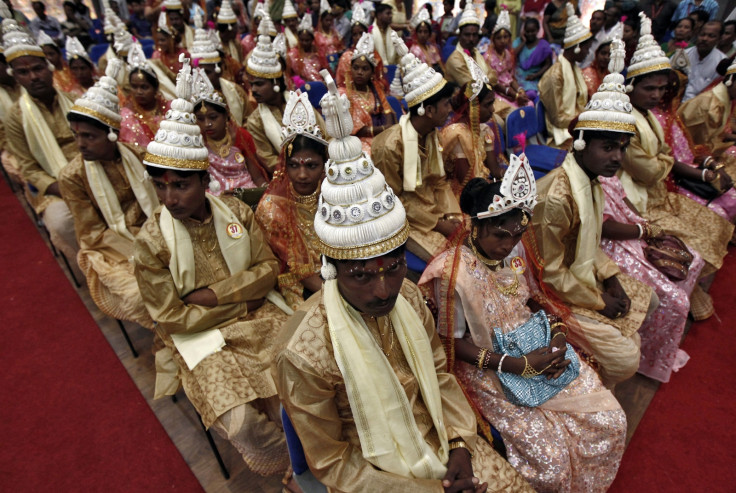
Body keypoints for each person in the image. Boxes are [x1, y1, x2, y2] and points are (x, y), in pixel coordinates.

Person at [275, 72, 533, 493]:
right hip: (375, 474)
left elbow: (440, 376)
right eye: (360, 274)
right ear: (332, 268)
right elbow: (333, 463)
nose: (383, 291)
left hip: (439, 440)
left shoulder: (409, 296)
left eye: (394, 267)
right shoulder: (303, 354)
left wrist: (460, 446)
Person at [419, 162, 627, 491]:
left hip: (535, 339)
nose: (509, 243)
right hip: (489, 365)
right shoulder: (452, 274)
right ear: (476, 226)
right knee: (551, 460)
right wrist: (516, 365)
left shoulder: (515, 251)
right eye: (500, 235)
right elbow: (450, 343)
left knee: (610, 420)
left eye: (516, 234)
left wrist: (558, 335)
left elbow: (531, 298)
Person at [133, 57, 293, 480]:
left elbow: (266, 270)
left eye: (180, 185)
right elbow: (171, 317)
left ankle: (317, 465)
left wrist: (214, 295)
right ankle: (291, 473)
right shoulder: (150, 243)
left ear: (205, 182)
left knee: (294, 397)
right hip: (202, 338)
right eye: (160, 185)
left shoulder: (236, 210)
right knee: (242, 423)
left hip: (260, 315)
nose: (169, 199)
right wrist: (239, 304)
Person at [533, 36, 660, 387]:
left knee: (647, 302)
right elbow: (551, 274)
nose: (618, 158)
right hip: (547, 290)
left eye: (621, 148)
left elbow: (588, 245)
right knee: (627, 358)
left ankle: (591, 366)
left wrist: (612, 279)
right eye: (608, 147)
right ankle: (582, 377)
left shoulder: (590, 178)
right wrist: (599, 301)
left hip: (580, 277)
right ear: (582, 142)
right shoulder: (558, 198)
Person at [621, 13, 734, 275]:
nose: (657, 95)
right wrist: (665, 162)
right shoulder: (626, 121)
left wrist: (663, 161)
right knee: (693, 249)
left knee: (712, 228)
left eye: (661, 89)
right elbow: (649, 171)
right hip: (637, 197)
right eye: (650, 88)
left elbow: (663, 157)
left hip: (657, 191)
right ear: (631, 86)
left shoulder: (649, 115)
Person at [59, 59, 158, 329]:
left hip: (155, 229)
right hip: (112, 248)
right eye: (76, 135)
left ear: (113, 134)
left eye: (89, 136)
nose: (80, 144)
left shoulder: (139, 156)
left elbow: (163, 201)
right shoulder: (72, 176)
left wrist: (159, 237)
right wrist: (145, 249)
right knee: (143, 294)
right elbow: (92, 234)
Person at [372, 35, 461, 262]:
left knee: (471, 237)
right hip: (401, 218)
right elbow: (392, 201)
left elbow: (439, 182)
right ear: (428, 111)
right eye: (445, 104)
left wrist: (452, 216)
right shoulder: (390, 147)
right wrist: (440, 224)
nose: (450, 110)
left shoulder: (431, 134)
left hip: (431, 209)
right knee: (451, 262)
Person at [4, 19, 80, 268]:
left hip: (91, 172)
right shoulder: (16, 118)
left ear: (49, 68)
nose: (33, 77)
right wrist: (62, 188)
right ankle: (95, 266)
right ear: (15, 76)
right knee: (61, 223)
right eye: (23, 72)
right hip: (55, 187)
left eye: (38, 68)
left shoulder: (74, 101)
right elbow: (28, 168)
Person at [255, 90, 326, 309]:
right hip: (298, 281)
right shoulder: (272, 208)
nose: (302, 175)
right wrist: (338, 295)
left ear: (324, 165)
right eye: (294, 165)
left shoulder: (333, 193)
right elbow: (299, 270)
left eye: (311, 166)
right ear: (285, 165)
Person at [246, 15, 325, 174]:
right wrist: (300, 169)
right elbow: (268, 159)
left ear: (276, 83)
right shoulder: (255, 121)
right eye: (252, 84)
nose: (253, 90)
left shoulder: (299, 102)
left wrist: (318, 165)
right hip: (286, 175)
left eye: (259, 84)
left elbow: (324, 135)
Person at [192, 69, 268, 194]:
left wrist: (266, 192)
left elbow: (257, 177)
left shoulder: (242, 136)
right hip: (214, 197)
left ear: (226, 116)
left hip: (244, 192)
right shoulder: (196, 141)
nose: (207, 124)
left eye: (213, 117)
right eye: (200, 119)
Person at [441, 58, 504, 200]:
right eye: (488, 104)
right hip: (464, 197)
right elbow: (468, 185)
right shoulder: (457, 135)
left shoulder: (484, 130)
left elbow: (494, 170)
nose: (493, 109)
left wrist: (511, 176)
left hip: (483, 187)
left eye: (492, 103)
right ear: (473, 107)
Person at [538, 3, 592, 149]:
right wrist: (587, 120)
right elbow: (558, 119)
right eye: (586, 47)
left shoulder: (574, 69)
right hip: (561, 136)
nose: (588, 52)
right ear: (577, 47)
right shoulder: (555, 76)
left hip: (576, 125)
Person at [189, 15, 253, 126]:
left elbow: (248, 121)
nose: (201, 78)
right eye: (197, 73)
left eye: (206, 72)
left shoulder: (235, 91)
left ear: (219, 70)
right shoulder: (188, 99)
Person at [340, 33, 395, 153]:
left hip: (379, 137)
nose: (360, 72)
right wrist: (382, 128)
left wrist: (386, 129)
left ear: (372, 73)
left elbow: (388, 114)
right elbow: (357, 130)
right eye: (356, 68)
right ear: (351, 69)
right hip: (355, 141)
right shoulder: (343, 94)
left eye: (365, 69)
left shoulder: (375, 91)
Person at [120, 43, 171, 149]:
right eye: (134, 87)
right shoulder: (127, 116)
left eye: (144, 87)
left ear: (155, 88)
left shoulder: (170, 109)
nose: (138, 92)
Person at [485, 9, 530, 109]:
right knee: (514, 110)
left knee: (529, 104)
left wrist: (520, 90)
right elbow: (494, 84)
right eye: (499, 38)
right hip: (495, 94)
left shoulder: (508, 54)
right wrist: (515, 95)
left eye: (506, 37)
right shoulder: (488, 57)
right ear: (493, 39)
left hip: (509, 91)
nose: (503, 41)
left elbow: (510, 77)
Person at [683, 21, 726, 101]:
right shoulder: (683, 55)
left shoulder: (722, 63)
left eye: (711, 36)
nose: (705, 39)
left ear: (719, 39)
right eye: (702, 35)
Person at [513, 17, 553, 100]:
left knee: (530, 94)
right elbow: (511, 56)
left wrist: (535, 75)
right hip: (517, 75)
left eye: (532, 31)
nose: (530, 34)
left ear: (538, 30)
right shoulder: (518, 41)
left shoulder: (544, 45)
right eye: (527, 31)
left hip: (533, 78)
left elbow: (548, 64)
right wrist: (523, 42)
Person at [38, 30, 84, 96]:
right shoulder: (46, 77)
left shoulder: (73, 69)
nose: (48, 58)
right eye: (44, 56)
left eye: (51, 54)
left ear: (59, 54)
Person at [334, 2, 369, 86]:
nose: (358, 37)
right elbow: (341, 83)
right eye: (355, 34)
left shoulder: (374, 56)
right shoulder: (346, 57)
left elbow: (379, 82)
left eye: (361, 33)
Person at [287, 14, 329, 83]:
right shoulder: (293, 55)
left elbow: (325, 72)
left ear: (312, 40)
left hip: (320, 85)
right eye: (302, 40)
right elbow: (291, 75)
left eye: (307, 40)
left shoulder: (319, 53)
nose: (304, 43)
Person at [151, 11, 188, 78]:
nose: (160, 43)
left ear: (171, 40)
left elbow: (187, 76)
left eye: (163, 40)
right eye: (158, 40)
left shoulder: (184, 54)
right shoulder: (157, 55)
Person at [409, 7, 444, 75]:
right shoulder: (414, 50)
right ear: (416, 33)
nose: (423, 35)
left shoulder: (432, 48)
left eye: (425, 32)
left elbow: (441, 66)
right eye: (420, 32)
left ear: (429, 34)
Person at [216, 0, 244, 65]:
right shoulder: (215, 45)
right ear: (228, 31)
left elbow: (240, 64)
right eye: (234, 32)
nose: (235, 34)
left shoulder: (236, 44)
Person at [372, 1, 399, 65]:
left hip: (392, 70)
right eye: (388, 13)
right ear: (379, 15)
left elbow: (398, 56)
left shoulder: (393, 33)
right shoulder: (371, 33)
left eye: (391, 14)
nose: (391, 16)